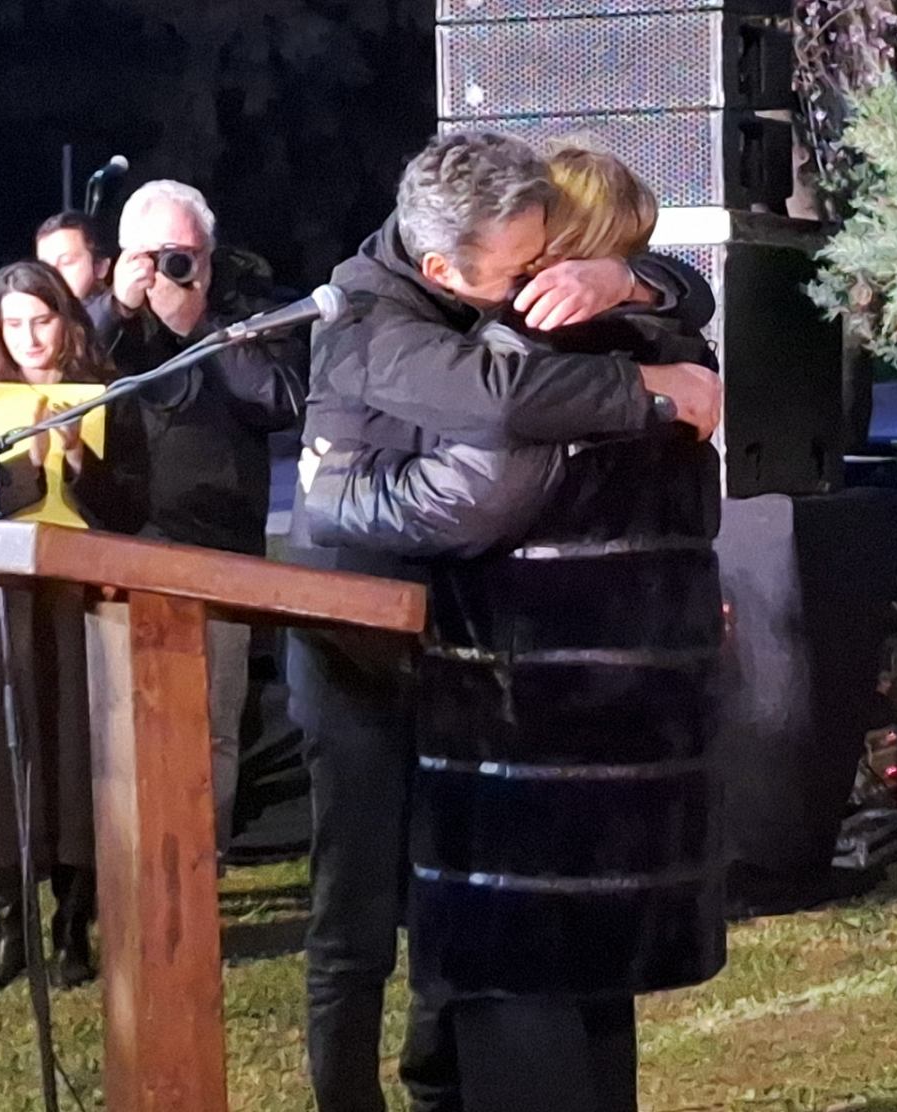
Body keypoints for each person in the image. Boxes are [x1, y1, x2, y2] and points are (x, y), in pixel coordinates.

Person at [288, 130, 721, 1112]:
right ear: (446, 264)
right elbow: (494, 396)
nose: (527, 279)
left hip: (511, 709)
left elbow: (474, 487)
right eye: (517, 265)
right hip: (363, 639)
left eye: (541, 256)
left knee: (501, 959)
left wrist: (632, 282)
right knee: (362, 910)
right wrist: (651, 382)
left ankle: (436, 1090)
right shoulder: (366, 310)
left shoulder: (560, 323)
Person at [0, 261, 146, 990]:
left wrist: (80, 462)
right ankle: (8, 930)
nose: (28, 338)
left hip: (77, 608)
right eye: (13, 324)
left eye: (42, 320)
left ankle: (73, 929)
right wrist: (26, 469)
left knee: (77, 765)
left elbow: (134, 509)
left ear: (66, 320)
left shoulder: (109, 394)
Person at [89, 180, 306, 862]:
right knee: (119, 719)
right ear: (126, 256)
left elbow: (281, 400)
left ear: (211, 255)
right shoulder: (105, 323)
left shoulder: (248, 314)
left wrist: (200, 328)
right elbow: (64, 381)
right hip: (116, 545)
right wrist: (116, 309)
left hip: (220, 549)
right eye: (156, 255)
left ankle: (194, 865)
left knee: (210, 724)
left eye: (187, 254)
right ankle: (120, 865)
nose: (174, 268)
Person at [35, 211, 111, 305]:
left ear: (100, 267)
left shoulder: (116, 310)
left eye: (66, 262)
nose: (52, 273)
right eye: (45, 267)